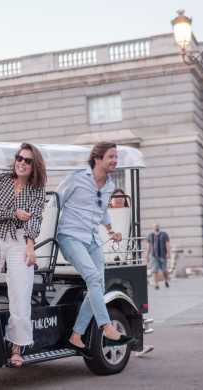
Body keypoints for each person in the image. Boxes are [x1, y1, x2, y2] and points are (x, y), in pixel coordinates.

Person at [57, 141, 131, 354]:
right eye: (111, 156)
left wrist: (110, 230)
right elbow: (56, 202)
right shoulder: (77, 178)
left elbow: (102, 211)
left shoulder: (108, 185)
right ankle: (106, 326)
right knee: (92, 276)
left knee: (97, 284)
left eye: (116, 157)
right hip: (70, 236)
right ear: (97, 158)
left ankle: (76, 335)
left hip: (91, 238)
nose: (115, 160)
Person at [0, 143, 46, 367]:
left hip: (20, 239)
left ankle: (17, 346)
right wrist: (14, 213)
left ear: (34, 165)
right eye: (19, 158)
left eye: (27, 160)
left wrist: (30, 245)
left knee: (21, 291)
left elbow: (34, 218)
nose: (22, 163)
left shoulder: (37, 189)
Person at [146, 224, 170, 290]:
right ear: (152, 227)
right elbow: (148, 246)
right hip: (153, 256)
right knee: (154, 270)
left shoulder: (164, 234)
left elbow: (167, 244)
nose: (156, 227)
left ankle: (166, 280)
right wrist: (147, 256)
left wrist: (168, 253)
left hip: (162, 255)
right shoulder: (150, 235)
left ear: (159, 227)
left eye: (157, 226)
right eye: (155, 226)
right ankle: (156, 284)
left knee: (164, 270)